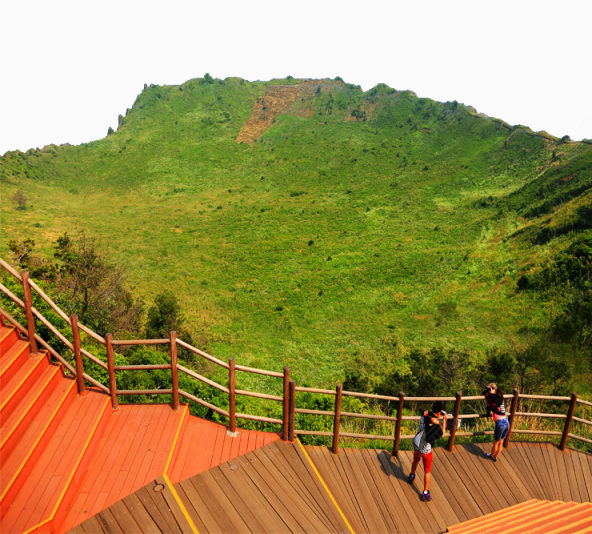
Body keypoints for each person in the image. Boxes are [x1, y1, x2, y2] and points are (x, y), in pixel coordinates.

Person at [408, 401, 447, 502]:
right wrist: (444, 420)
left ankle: (412, 475)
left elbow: (428, 415)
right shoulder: (436, 426)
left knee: (415, 461)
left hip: (418, 444)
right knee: (427, 471)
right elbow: (442, 435)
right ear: (439, 413)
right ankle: (425, 493)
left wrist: (435, 416)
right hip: (426, 450)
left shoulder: (425, 414)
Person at [483, 383, 508, 462]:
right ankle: (495, 456)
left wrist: (489, 393)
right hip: (506, 422)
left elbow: (486, 394)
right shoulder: (500, 396)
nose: (488, 390)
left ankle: (491, 456)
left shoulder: (495, 398)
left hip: (500, 423)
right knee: (501, 442)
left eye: (490, 389)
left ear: (494, 389)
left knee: (496, 442)